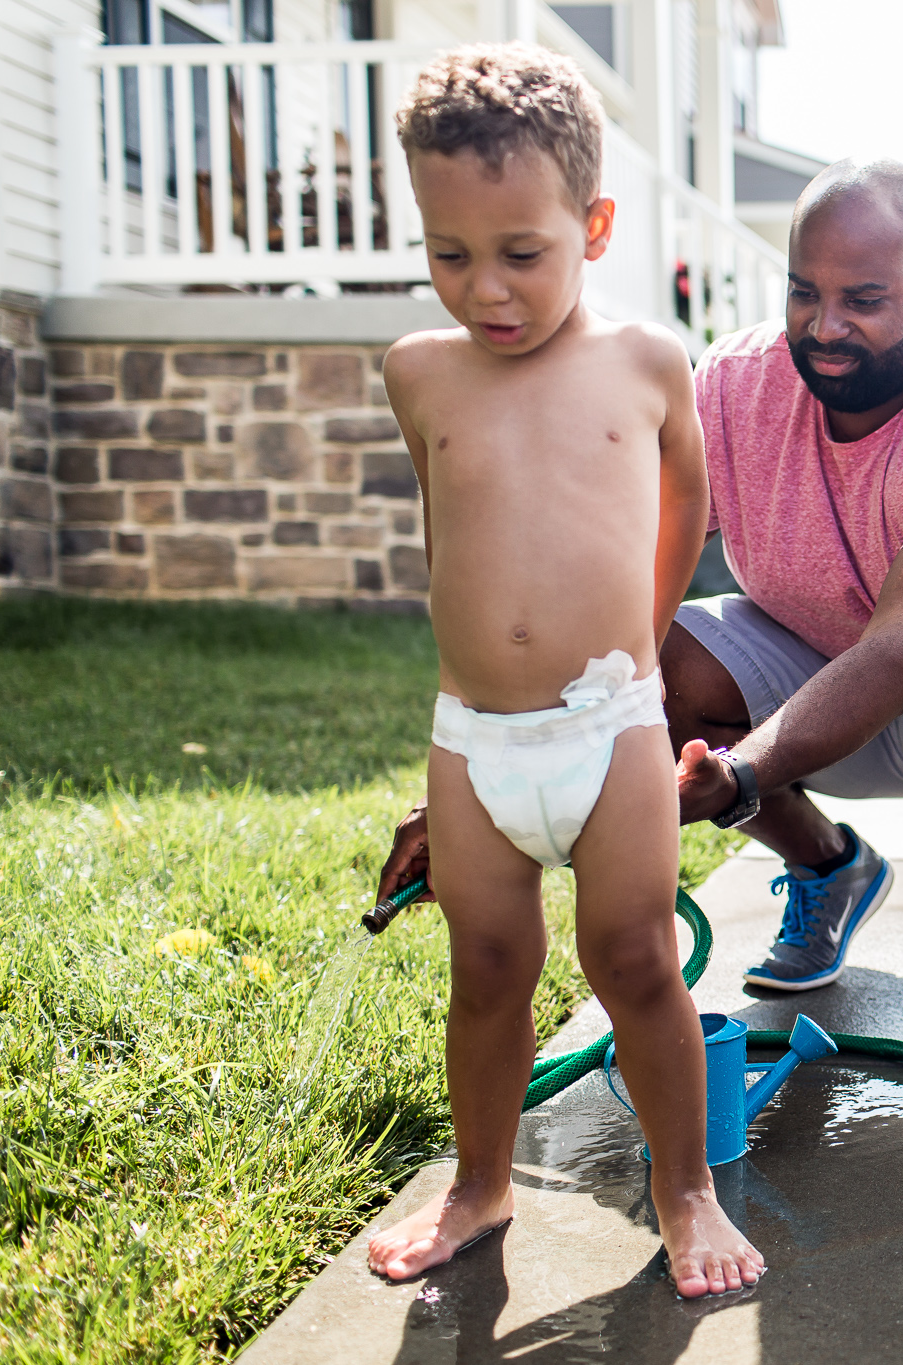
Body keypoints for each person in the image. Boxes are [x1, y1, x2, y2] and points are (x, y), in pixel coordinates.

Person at [379, 159, 903, 1020]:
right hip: (812, 654)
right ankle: (828, 866)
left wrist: (738, 776)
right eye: (805, 292)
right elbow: (605, 578)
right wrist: (475, 780)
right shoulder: (735, 385)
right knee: (642, 656)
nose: (825, 325)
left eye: (864, 300)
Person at [361, 44, 762, 1298]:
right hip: (475, 741)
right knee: (484, 968)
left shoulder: (646, 362)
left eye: (520, 253)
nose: (485, 288)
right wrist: (462, 728)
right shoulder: (417, 372)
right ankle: (480, 1189)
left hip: (610, 730)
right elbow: (453, 538)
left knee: (633, 957)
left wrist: (632, 665)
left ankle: (682, 1187)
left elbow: (681, 511)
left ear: (592, 225)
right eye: (448, 253)